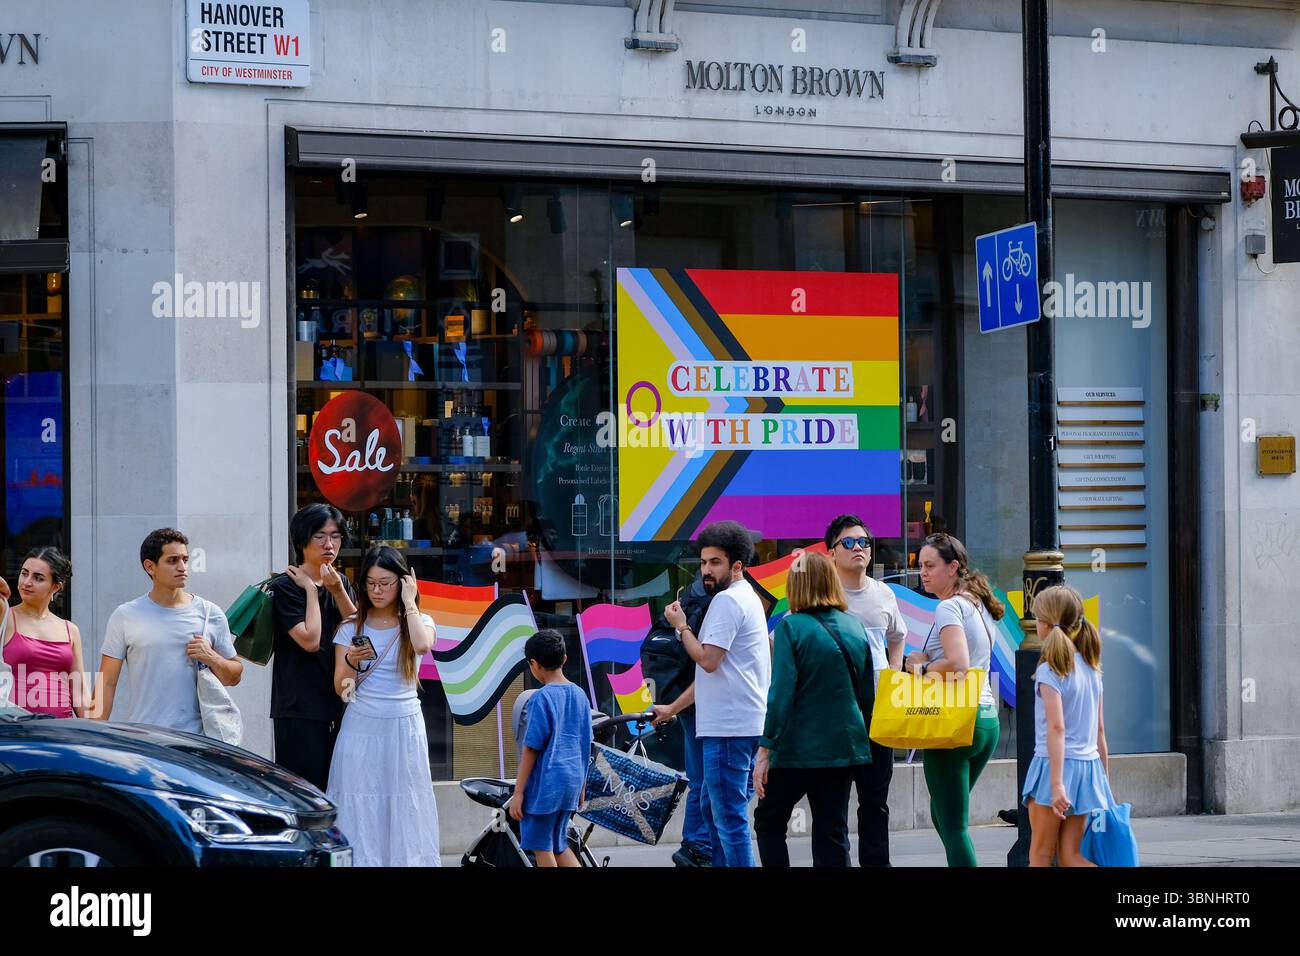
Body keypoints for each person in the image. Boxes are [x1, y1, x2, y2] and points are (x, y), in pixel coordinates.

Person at [752, 551, 872, 867]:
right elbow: (866, 694)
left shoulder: (792, 627)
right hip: (844, 747)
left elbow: (780, 694)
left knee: (769, 821)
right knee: (832, 831)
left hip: (797, 750)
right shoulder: (854, 626)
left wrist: (765, 749)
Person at [663, 520, 769, 868]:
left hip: (729, 728)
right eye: (704, 562)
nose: (706, 571)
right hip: (738, 725)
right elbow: (716, 673)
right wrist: (674, 708)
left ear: (737, 565)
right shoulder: (745, 598)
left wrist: (681, 628)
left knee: (727, 819)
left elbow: (707, 660)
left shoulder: (727, 601)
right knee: (716, 813)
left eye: (715, 563)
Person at [327, 546, 440, 867]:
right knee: (360, 805)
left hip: (404, 726)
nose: (377, 591)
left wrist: (409, 602)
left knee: (405, 803)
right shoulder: (351, 628)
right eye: (371, 583)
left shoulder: (420, 621)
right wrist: (350, 660)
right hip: (361, 725)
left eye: (386, 583)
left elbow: (422, 645)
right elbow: (342, 690)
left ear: (402, 582)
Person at [905, 532, 1003, 867]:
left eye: (931, 565)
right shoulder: (978, 604)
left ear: (954, 567)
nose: (924, 573)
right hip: (986, 720)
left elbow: (958, 664)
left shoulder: (949, 606)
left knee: (954, 824)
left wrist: (920, 666)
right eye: (921, 566)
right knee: (943, 813)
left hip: (955, 722)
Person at [96, 530, 242, 730]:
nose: (182, 567)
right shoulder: (125, 615)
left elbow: (234, 677)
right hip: (145, 738)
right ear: (150, 567)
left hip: (197, 740)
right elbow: (106, 684)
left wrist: (213, 658)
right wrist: (93, 735)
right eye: (172, 560)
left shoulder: (210, 613)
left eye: (185, 559)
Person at [825, 514, 906, 866]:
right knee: (834, 801)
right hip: (835, 711)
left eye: (863, 543)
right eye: (848, 542)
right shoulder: (823, 596)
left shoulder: (884, 593)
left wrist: (892, 673)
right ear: (831, 553)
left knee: (875, 800)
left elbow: (898, 636)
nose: (858, 547)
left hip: (878, 711)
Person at [268, 503, 357, 789]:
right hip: (299, 708)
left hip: (341, 702)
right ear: (301, 540)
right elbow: (310, 640)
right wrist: (310, 590)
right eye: (320, 536)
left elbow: (359, 629)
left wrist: (337, 590)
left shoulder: (339, 582)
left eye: (336, 536)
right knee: (302, 794)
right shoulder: (285, 586)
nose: (329, 544)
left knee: (338, 790)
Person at [1023, 584, 1112, 867]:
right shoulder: (1091, 668)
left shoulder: (1050, 670)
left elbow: (1056, 727)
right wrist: (1104, 781)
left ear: (1046, 624)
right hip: (1088, 768)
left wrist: (1057, 783)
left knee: (1040, 854)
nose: (1035, 624)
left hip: (1055, 767)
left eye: (1037, 618)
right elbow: (1099, 730)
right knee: (1072, 856)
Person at [646, 571, 716, 867]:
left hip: (686, 701)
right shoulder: (718, 602)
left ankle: (694, 843)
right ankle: (699, 844)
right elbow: (707, 665)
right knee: (718, 780)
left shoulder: (689, 594)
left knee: (700, 778)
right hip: (701, 702)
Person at [507, 629, 593, 868]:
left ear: (534, 664)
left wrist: (519, 792)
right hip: (571, 784)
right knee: (558, 844)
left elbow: (531, 749)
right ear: (564, 659)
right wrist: (582, 785)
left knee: (541, 847)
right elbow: (586, 744)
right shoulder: (580, 695)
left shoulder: (540, 699)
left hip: (545, 787)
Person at [1, 548, 86, 718]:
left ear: (56, 586)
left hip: (62, 732)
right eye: (24, 574)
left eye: (38, 578)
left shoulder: (70, 630)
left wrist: (93, 733)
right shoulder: (5, 614)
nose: (27, 582)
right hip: (16, 730)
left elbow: (79, 693)